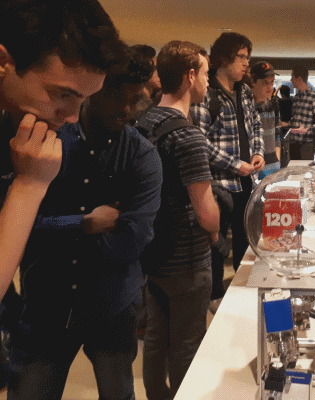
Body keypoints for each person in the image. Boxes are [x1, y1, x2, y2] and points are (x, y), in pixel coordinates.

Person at [6, 46, 161, 400]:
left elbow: (131, 242)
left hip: (113, 306)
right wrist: (81, 224)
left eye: (134, 99)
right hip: (47, 304)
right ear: (96, 90)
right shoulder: (48, 143)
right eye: (114, 96)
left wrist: (50, 230)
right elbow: (16, 227)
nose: (125, 109)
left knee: (117, 392)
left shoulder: (142, 156)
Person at [0, 0, 125, 301]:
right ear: (4, 62)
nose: (71, 116)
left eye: (83, 100)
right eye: (62, 94)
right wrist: (30, 185)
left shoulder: (17, 124)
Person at [135, 40, 220, 400]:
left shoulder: (142, 122)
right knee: (186, 344)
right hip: (186, 257)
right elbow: (205, 211)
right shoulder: (187, 135)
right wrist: (216, 228)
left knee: (155, 337)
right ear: (189, 76)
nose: (207, 83)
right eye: (204, 74)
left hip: (150, 251)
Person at [190, 31, 264, 283]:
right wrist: (235, 164)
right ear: (223, 59)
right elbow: (200, 142)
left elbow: (255, 124)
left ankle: (244, 284)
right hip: (219, 185)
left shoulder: (244, 91)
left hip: (247, 181)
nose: (246, 63)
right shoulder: (206, 94)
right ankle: (215, 293)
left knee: (247, 238)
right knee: (216, 244)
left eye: (247, 57)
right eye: (241, 57)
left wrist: (257, 151)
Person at [287, 65, 315, 159]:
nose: (290, 80)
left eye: (292, 77)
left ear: (299, 79)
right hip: (293, 143)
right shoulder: (296, 98)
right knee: (294, 171)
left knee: (305, 171)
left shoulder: (314, 98)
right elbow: (294, 120)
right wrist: (285, 124)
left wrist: (307, 129)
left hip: (307, 145)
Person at [251, 61, 282, 179]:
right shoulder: (248, 106)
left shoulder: (273, 104)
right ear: (253, 82)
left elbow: (277, 131)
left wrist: (277, 155)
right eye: (265, 83)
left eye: (272, 82)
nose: (270, 87)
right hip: (255, 163)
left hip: (274, 162)